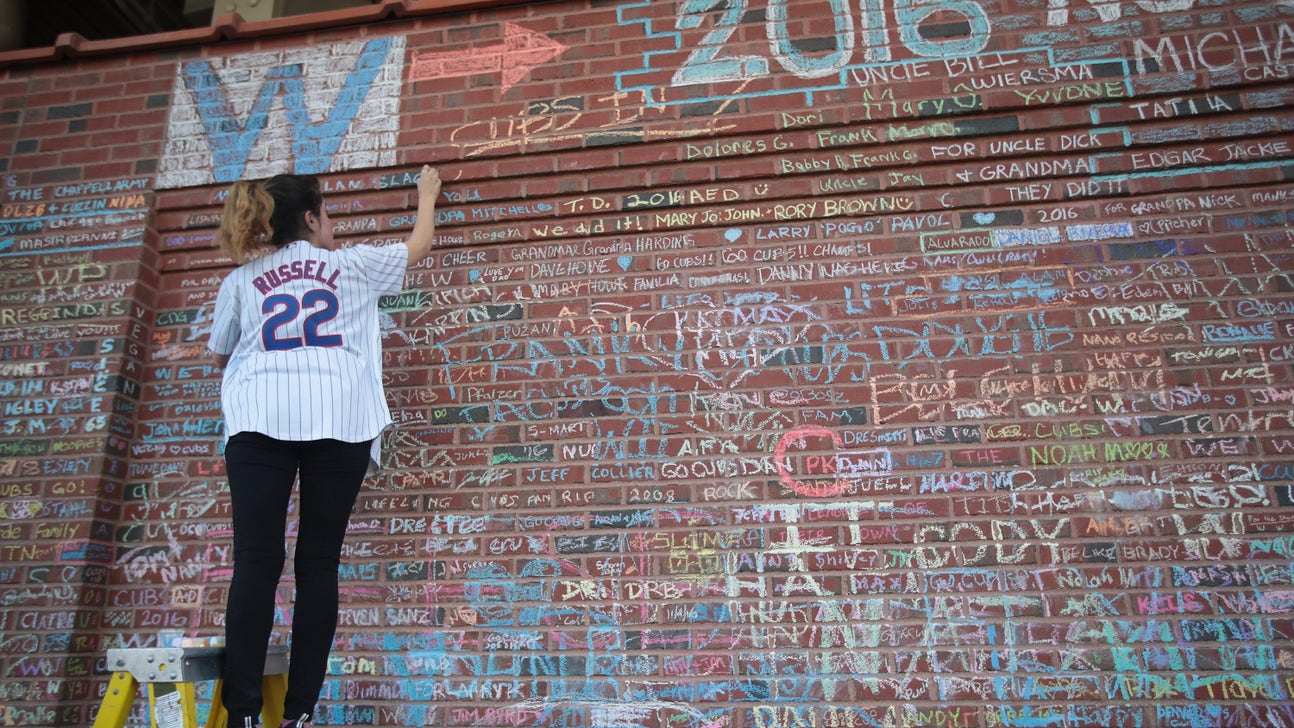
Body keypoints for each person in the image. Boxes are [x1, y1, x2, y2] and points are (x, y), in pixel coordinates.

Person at [207, 165, 441, 728]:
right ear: (310, 218)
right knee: (318, 564)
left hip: (258, 417)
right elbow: (418, 246)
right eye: (327, 213)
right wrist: (426, 197)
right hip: (340, 417)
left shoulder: (242, 279)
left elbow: (220, 351)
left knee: (255, 563)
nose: (332, 224)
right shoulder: (351, 266)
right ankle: (299, 713)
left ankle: (240, 714)